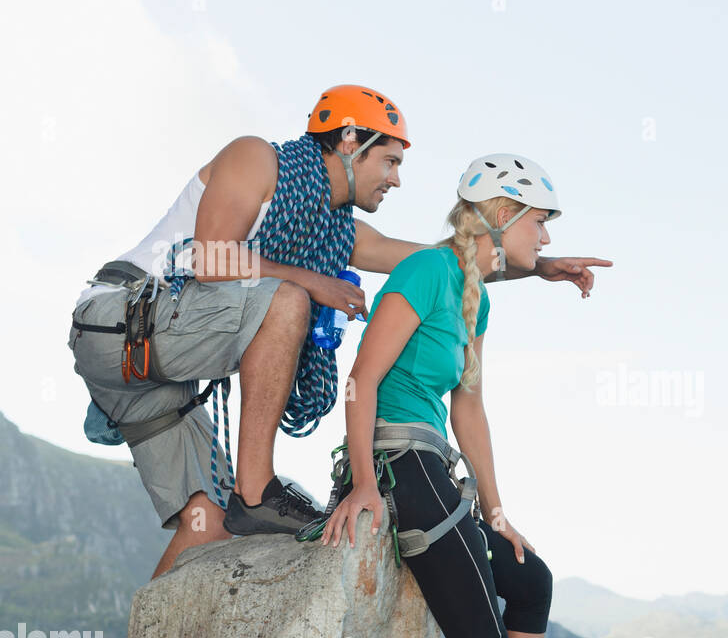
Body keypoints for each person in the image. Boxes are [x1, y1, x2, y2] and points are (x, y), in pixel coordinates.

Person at [68, 85, 609, 587]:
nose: (396, 178)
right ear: (350, 142)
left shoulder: (333, 228)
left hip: (151, 376)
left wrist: (537, 266)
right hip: (119, 321)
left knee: (206, 523)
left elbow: (437, 259)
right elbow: (209, 257)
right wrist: (312, 280)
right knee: (287, 300)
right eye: (390, 160)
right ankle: (256, 492)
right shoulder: (256, 158)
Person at [319, 154, 599, 638]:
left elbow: (467, 407)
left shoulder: (475, 296)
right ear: (503, 216)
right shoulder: (425, 271)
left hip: (435, 466)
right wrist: (365, 483)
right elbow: (361, 382)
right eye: (540, 222)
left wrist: (497, 512)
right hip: (399, 463)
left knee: (529, 578)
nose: (547, 238)